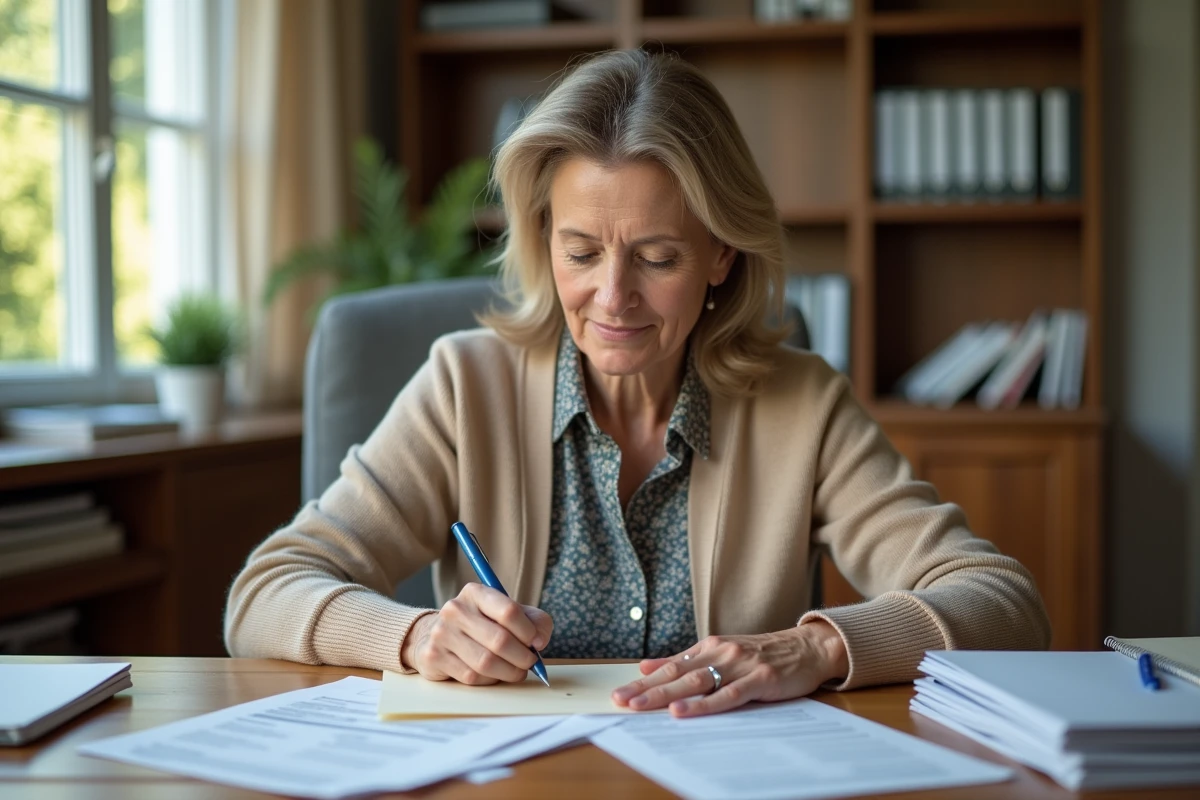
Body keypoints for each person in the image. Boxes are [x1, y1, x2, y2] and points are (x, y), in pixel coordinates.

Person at [224, 49, 1050, 718]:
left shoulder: (803, 405)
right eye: (581, 252)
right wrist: (416, 638)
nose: (612, 297)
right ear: (545, 241)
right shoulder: (462, 387)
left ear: (722, 254)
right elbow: (263, 593)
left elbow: (1004, 603)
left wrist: (815, 646)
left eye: (657, 258)